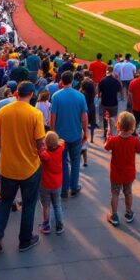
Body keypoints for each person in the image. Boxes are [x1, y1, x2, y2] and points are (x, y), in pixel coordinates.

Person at [0, 81, 46, 253]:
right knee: (29, 204)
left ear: (16, 93)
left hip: (7, 166)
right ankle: (25, 240)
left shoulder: (4, 111)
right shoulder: (35, 114)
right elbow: (40, 143)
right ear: (31, 94)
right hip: (30, 167)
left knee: (5, 201)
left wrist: (4, 149)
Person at [49, 71, 88, 199]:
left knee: (64, 162)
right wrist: (85, 132)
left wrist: (53, 132)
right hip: (75, 134)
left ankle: (64, 189)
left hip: (61, 136)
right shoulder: (79, 96)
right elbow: (84, 117)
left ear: (62, 81)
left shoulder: (56, 96)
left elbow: (52, 118)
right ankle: (73, 187)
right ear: (71, 81)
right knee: (75, 161)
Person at [104, 111, 140, 226]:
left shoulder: (114, 140)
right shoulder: (135, 140)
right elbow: (139, 150)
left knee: (115, 193)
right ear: (132, 126)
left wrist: (108, 136)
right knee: (128, 192)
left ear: (118, 126)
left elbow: (106, 147)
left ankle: (114, 215)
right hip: (129, 173)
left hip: (116, 173)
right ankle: (129, 213)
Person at [38, 130, 65, 235]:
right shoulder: (60, 149)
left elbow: (39, 152)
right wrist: (58, 141)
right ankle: (59, 226)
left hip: (45, 184)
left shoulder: (46, 155)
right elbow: (62, 142)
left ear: (46, 143)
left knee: (46, 205)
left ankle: (46, 225)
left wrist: (43, 146)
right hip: (57, 184)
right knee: (57, 205)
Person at [98, 66, 122, 135]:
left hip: (104, 103)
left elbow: (99, 93)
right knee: (113, 118)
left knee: (105, 118)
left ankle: (105, 131)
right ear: (113, 71)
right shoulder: (116, 81)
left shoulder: (102, 80)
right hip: (114, 103)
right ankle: (112, 133)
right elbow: (118, 92)